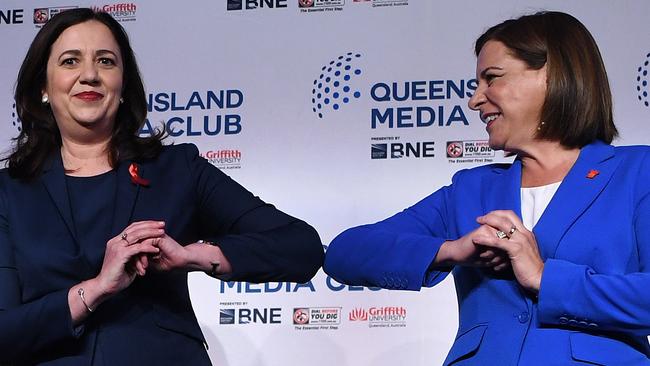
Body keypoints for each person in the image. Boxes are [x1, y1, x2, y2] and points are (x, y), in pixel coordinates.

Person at [324, 11, 650, 365]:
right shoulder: (471, 189)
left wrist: (544, 278)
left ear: (552, 75)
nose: (475, 100)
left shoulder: (636, 173)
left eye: (491, 79)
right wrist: (452, 250)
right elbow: (345, 252)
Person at [0, 8, 323, 365]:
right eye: (70, 61)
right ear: (43, 87)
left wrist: (193, 255)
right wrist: (94, 290)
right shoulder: (10, 193)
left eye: (106, 61)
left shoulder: (177, 170)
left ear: (123, 86)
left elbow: (301, 246)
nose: (89, 75)